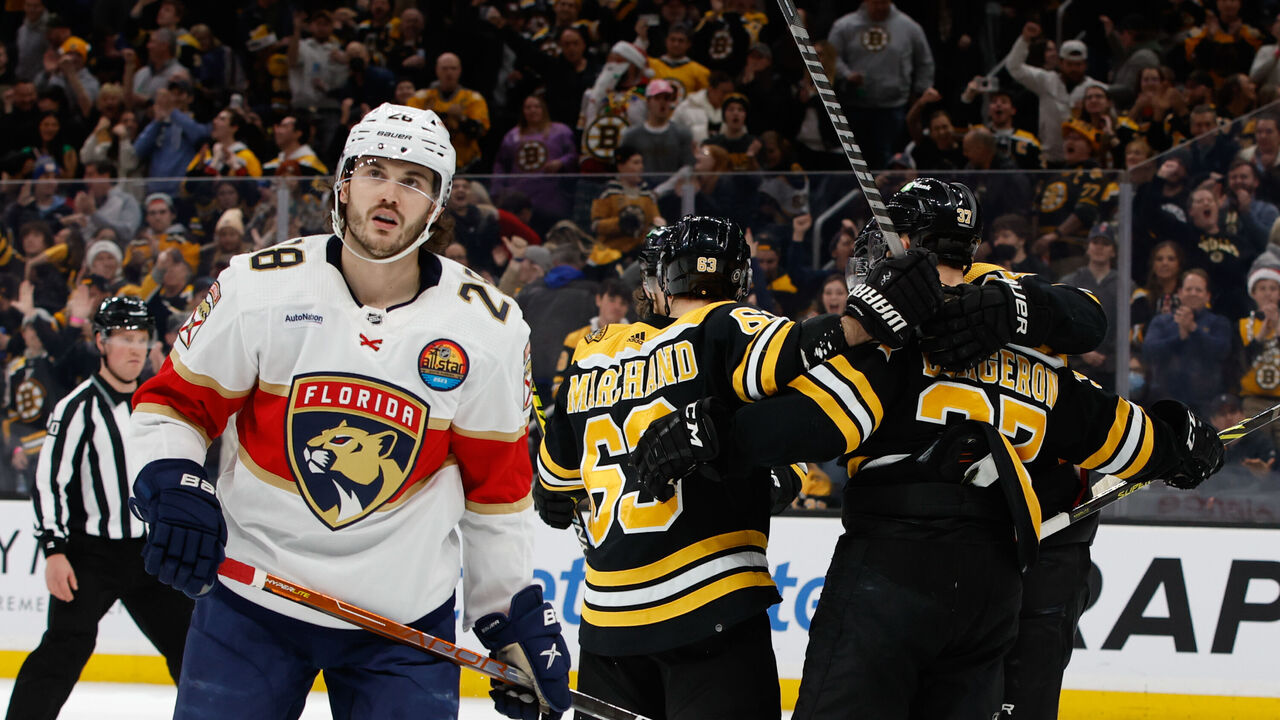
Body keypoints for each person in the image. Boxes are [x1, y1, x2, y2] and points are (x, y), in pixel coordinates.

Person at [631, 186, 1222, 720]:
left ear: (905, 244)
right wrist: (1183, 443)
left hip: (895, 568)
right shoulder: (1029, 350)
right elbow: (1118, 431)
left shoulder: (892, 337)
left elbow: (815, 424)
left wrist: (715, 434)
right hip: (994, 587)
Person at [127, 103, 571, 720]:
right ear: (343, 182)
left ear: (438, 205)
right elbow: (173, 406)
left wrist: (508, 614)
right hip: (252, 602)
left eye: (413, 181)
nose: (389, 194)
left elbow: (496, 492)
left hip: (403, 622)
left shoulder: (488, 328)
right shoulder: (261, 287)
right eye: (374, 172)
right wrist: (174, 482)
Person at [535, 213, 943, 719]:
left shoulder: (592, 352)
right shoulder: (722, 326)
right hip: (711, 605)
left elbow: (554, 489)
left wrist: (557, 493)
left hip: (606, 626)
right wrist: (873, 317)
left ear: (664, 279)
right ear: (741, 279)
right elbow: (799, 360)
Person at [5, 296, 194, 720]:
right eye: (125, 338)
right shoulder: (77, 407)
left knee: (191, 648)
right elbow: (49, 482)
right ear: (100, 342)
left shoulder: (156, 403)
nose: (135, 349)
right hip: (92, 555)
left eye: (142, 339)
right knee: (64, 648)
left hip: (150, 553)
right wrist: (54, 550)